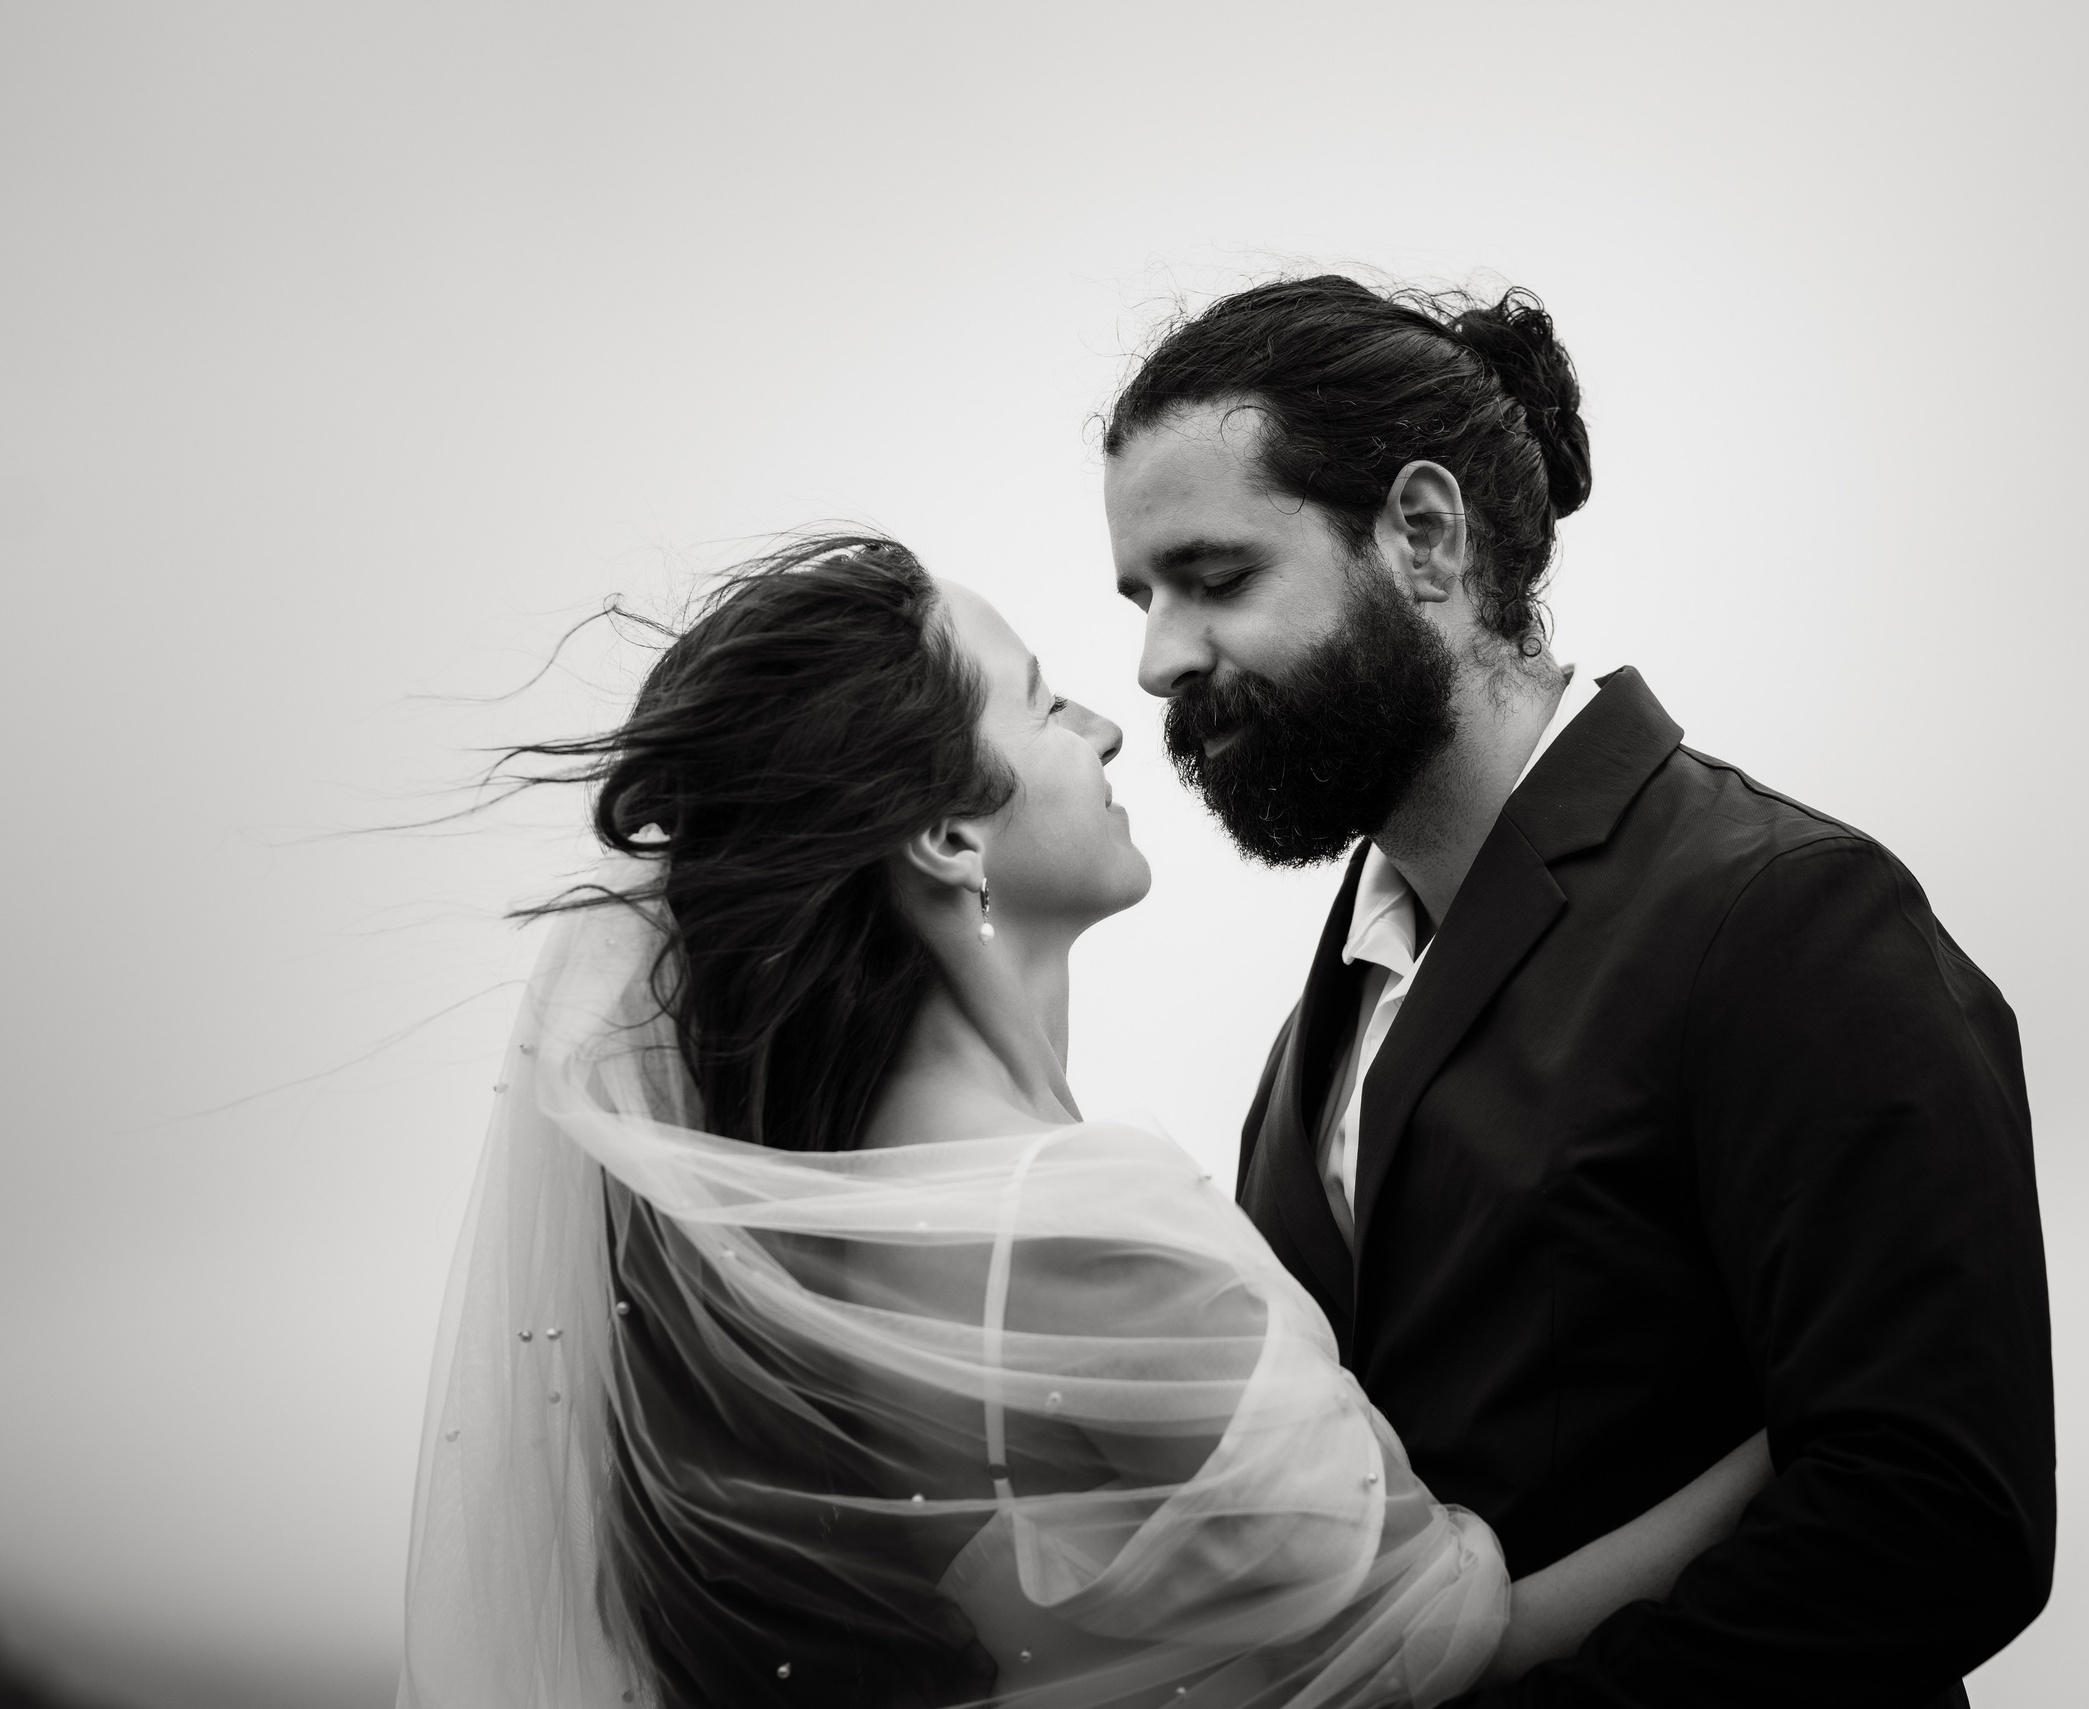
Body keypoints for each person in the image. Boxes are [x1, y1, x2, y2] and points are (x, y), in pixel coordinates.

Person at [395, 537, 1774, 1709]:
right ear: (945, 834)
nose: (1110, 726)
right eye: (1045, 705)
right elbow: (1443, 1644)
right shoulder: (1081, 1219)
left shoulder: (779, 1261)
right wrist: (1806, 1434)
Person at [1102, 276, 2057, 1708]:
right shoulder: (1321, 1027)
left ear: (1423, 535)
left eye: (1216, 577)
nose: (1160, 658)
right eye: (1143, 596)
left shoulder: (1783, 913)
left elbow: (1935, 1506)